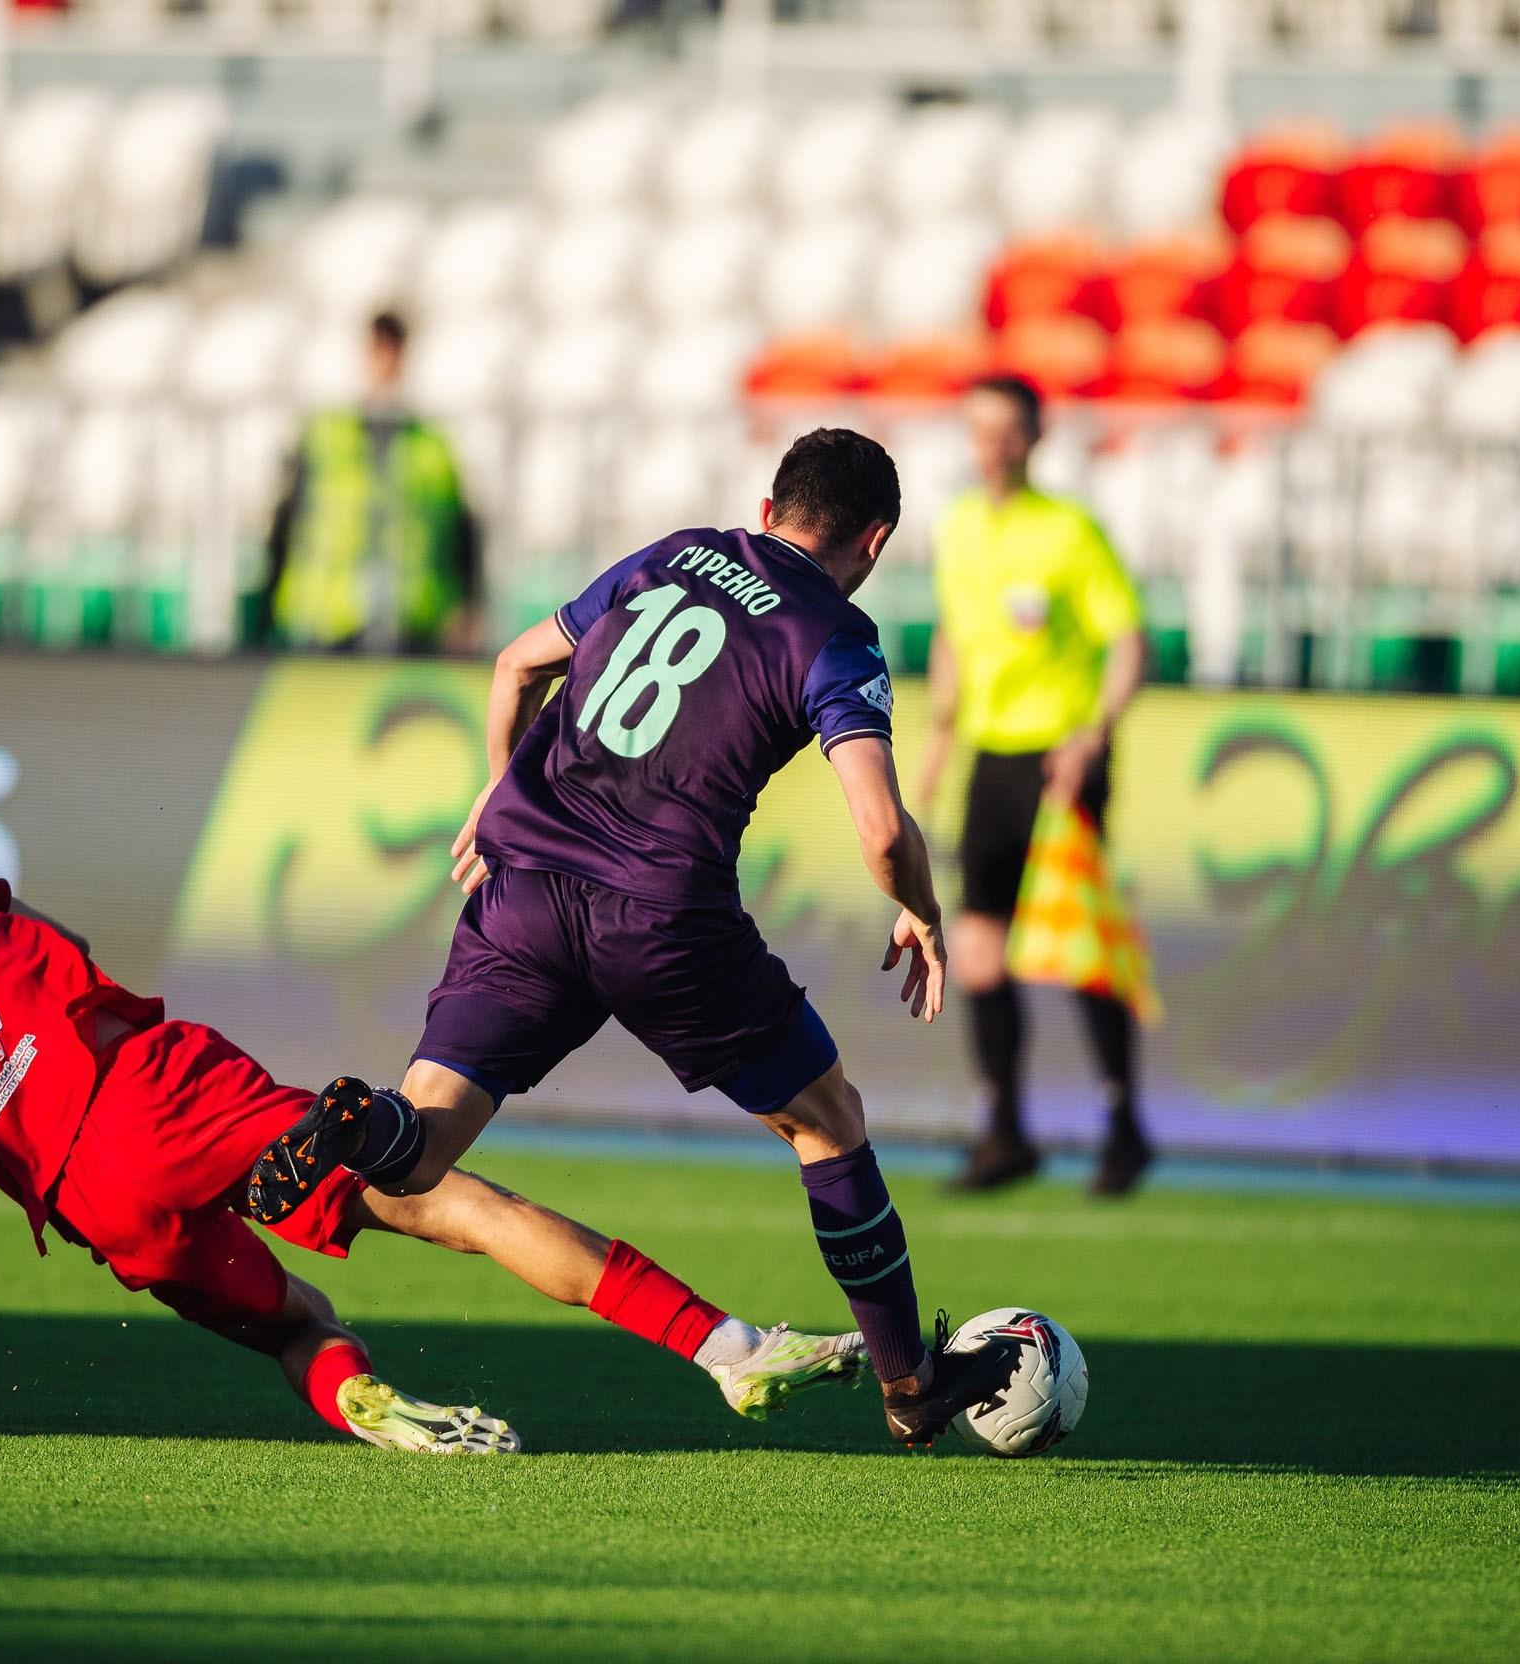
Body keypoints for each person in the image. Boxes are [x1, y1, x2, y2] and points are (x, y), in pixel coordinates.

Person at [245, 428, 1025, 1449]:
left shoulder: (676, 552)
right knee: (827, 1121)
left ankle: (361, 1128)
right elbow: (881, 829)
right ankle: (909, 1385)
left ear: (768, 508)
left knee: (421, 1149)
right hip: (660, 915)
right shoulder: (835, 634)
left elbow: (516, 664)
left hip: (524, 889)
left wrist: (500, 787)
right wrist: (921, 907)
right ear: (875, 540)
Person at [0, 860, 863, 1455]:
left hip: (84, 1192)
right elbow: (59, 940)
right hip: (151, 1083)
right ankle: (725, 1347)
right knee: (452, 1200)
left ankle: (360, 1393)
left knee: (295, 1324)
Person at [909, 373, 1153, 1199]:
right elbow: (955, 635)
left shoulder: (1070, 531)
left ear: (1037, 438)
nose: (993, 445)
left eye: (1008, 429)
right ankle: (1006, 1133)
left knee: (1077, 948)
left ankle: (1123, 1125)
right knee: (979, 949)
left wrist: (1095, 733)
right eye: (980, 429)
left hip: (1060, 761)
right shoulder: (958, 525)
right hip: (991, 758)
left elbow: (1128, 640)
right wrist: (939, 738)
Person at [263, 311, 479, 653]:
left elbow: (462, 533)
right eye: (379, 349)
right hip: (324, 622)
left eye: (393, 350)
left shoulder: (432, 444)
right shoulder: (323, 435)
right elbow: (284, 523)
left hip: (413, 622)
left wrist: (465, 606)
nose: (386, 362)